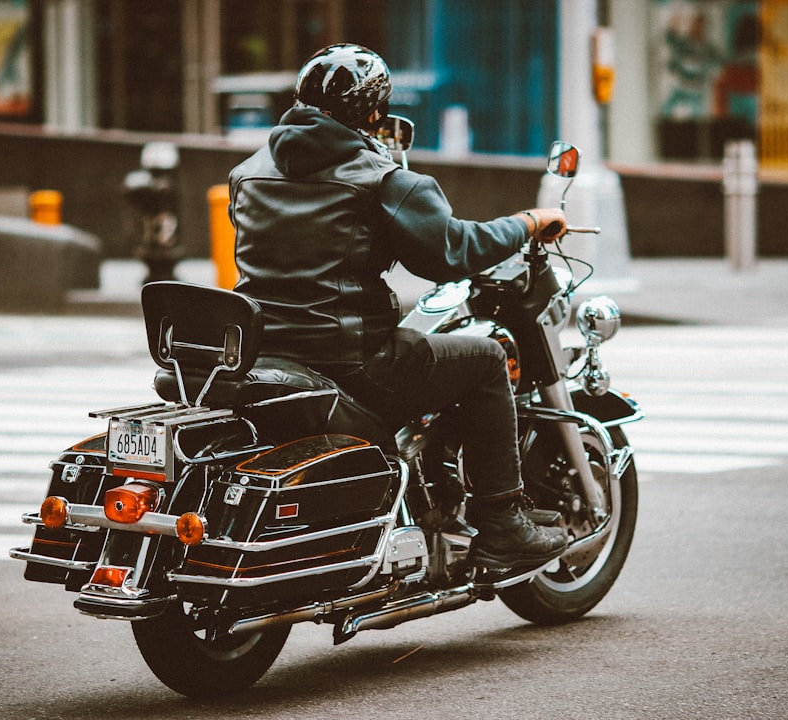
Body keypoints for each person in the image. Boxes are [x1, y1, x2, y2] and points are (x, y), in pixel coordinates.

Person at [228, 44, 569, 572]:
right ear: (373, 113)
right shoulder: (384, 179)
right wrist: (528, 220)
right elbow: (453, 252)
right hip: (351, 360)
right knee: (484, 359)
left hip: (263, 352)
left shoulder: (249, 171)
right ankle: (502, 521)